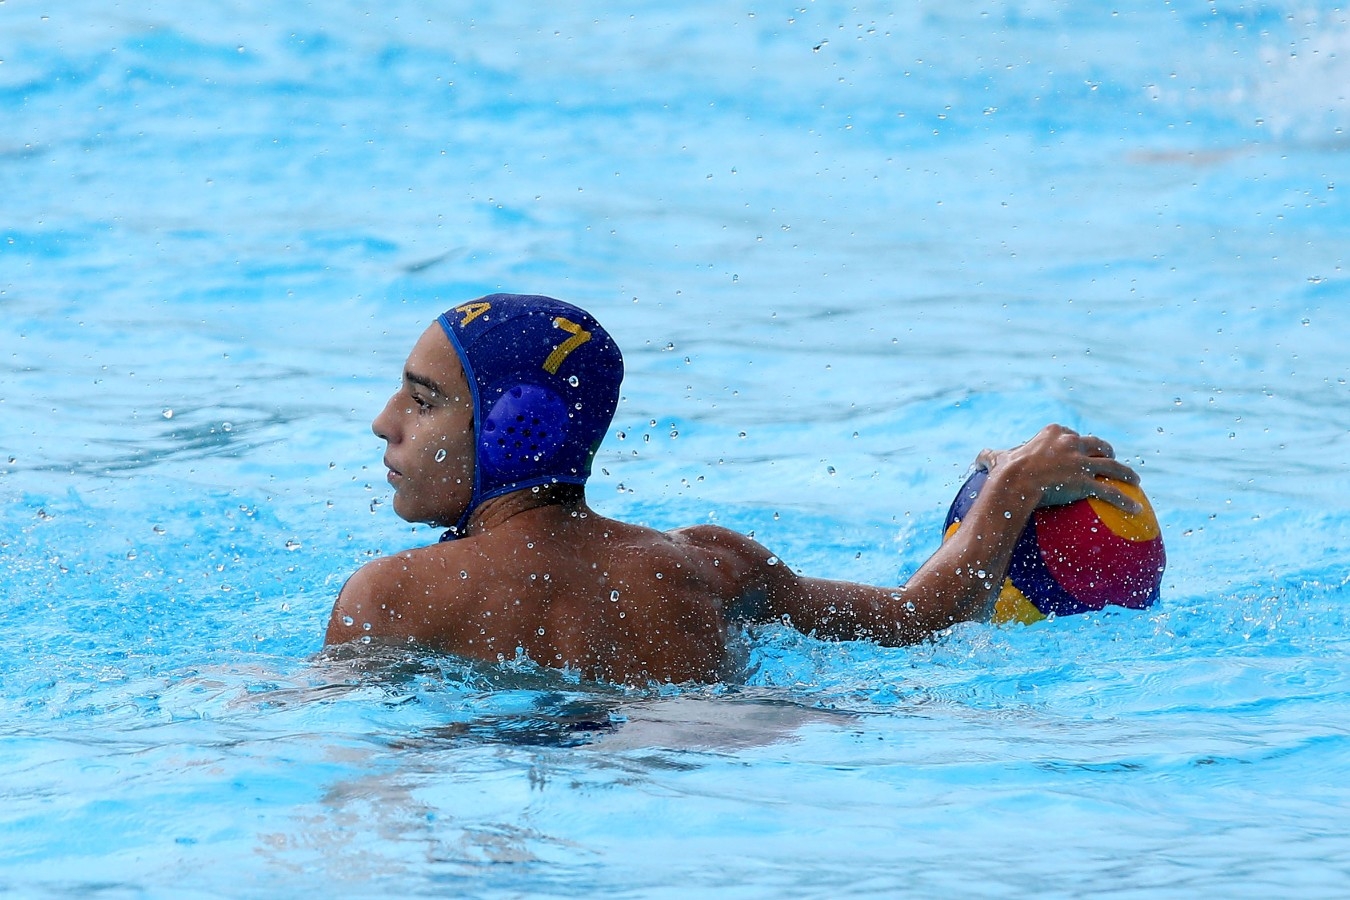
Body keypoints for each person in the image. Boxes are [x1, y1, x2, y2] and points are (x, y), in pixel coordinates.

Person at [325, 293, 1143, 684]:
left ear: (520, 426)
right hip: (741, 749)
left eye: (424, 399)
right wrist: (1010, 488)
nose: (384, 421)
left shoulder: (394, 595)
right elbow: (922, 619)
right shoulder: (710, 565)